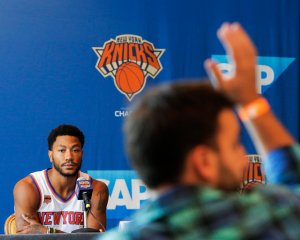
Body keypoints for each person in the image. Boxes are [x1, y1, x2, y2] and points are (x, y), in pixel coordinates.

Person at [98, 22, 300, 239]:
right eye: (234, 145)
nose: (244, 158)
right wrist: (250, 101)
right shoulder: (265, 219)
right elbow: (293, 183)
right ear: (203, 162)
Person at [14, 124, 109, 234]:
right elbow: (28, 237)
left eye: (75, 150)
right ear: (51, 155)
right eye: (62, 150)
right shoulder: (29, 187)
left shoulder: (97, 189)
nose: (69, 157)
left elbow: (94, 239)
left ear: (82, 154)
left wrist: (47, 231)